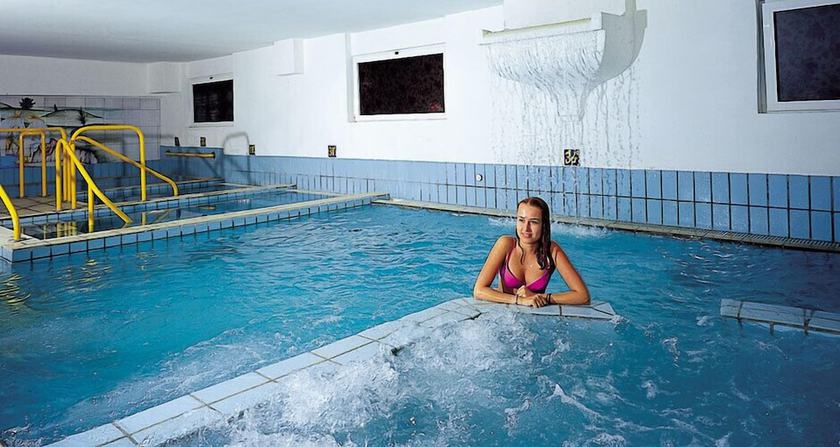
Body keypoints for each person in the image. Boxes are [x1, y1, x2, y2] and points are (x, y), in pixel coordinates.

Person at [473, 197, 589, 307]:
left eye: (533, 222)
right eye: (521, 220)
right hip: (505, 315)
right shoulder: (506, 245)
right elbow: (479, 290)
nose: (526, 228)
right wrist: (520, 300)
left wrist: (541, 297)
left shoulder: (551, 251)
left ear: (544, 225)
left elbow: (583, 296)